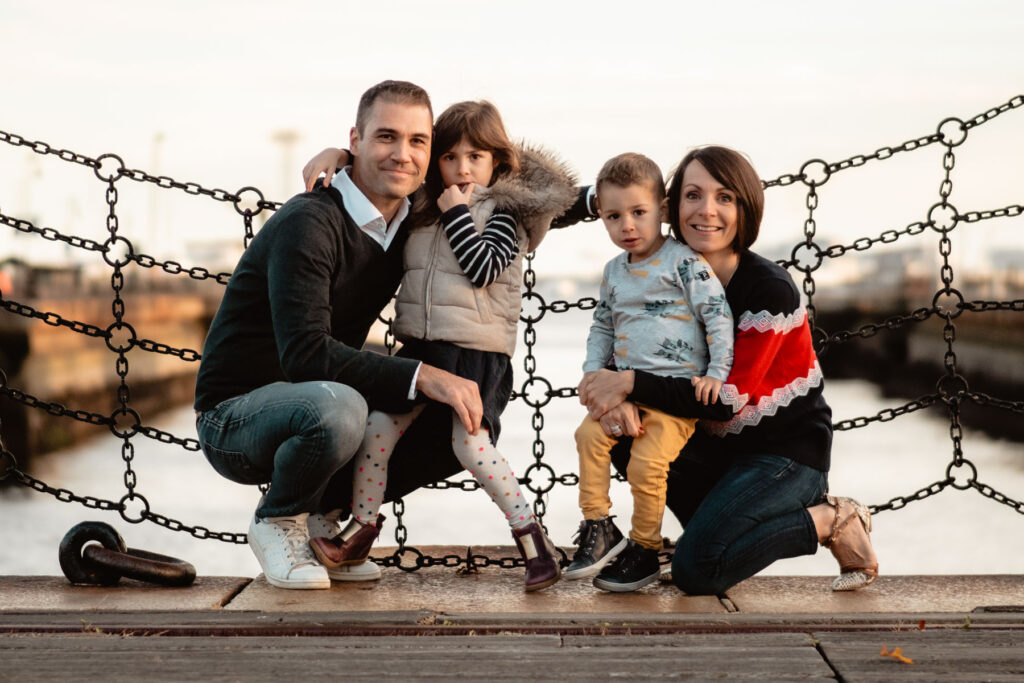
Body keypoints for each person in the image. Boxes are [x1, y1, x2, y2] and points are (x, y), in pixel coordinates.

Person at [193, 81, 485, 590]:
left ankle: (326, 517)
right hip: (235, 417)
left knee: (455, 424)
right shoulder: (311, 219)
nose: (403, 154)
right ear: (356, 138)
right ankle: (279, 520)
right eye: (385, 137)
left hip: (316, 397)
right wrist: (424, 375)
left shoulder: (411, 220)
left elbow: (504, 174)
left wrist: (601, 200)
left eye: (418, 141)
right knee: (343, 407)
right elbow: (307, 355)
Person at [300, 101, 577, 591]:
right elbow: (381, 185)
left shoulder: (505, 214)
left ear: (498, 164)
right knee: (377, 430)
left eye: (476, 157)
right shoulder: (423, 209)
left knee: (470, 446)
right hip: (422, 351)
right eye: (449, 157)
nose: (462, 168)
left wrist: (457, 215)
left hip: (475, 355)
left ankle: (534, 543)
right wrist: (343, 155)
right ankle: (361, 531)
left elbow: (484, 267)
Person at [578, 145, 879, 594]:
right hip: (716, 453)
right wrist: (612, 399)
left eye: (725, 198)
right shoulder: (664, 272)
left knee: (697, 571)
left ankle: (830, 519)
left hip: (784, 456)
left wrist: (628, 383)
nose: (706, 211)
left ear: (745, 207)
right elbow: (626, 340)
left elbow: (726, 402)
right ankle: (675, 538)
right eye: (693, 195)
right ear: (671, 206)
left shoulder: (767, 290)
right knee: (621, 437)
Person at [567, 153, 734, 593]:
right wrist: (591, 373)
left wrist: (717, 372)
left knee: (646, 465)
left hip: (675, 393)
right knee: (587, 437)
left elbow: (717, 314)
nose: (627, 226)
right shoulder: (613, 273)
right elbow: (603, 324)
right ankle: (599, 525)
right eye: (613, 216)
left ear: (662, 208)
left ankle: (644, 548)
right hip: (628, 394)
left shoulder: (684, 262)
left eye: (639, 212)